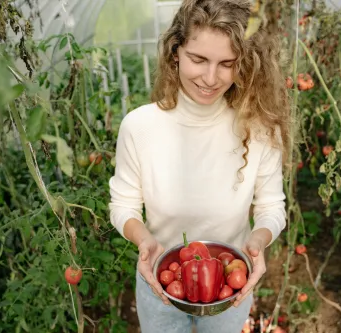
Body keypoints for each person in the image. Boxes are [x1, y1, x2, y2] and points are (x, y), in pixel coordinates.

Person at [108, 0, 290, 332]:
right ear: (175, 51)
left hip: (229, 287)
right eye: (198, 59)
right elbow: (123, 205)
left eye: (227, 63)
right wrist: (144, 240)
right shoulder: (139, 126)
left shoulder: (260, 129)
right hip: (160, 283)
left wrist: (258, 241)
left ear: (245, 64)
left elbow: (271, 206)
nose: (210, 77)